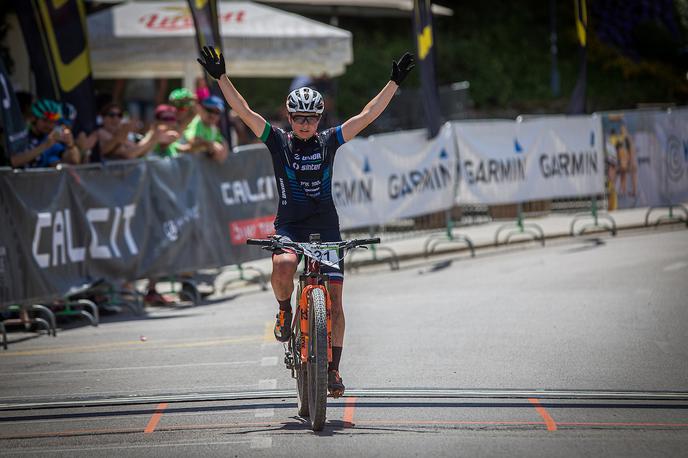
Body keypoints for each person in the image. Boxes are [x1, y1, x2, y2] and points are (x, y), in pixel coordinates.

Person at [197, 45, 414, 397]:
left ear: (319, 120)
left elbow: (368, 115)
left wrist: (393, 82)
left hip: (326, 226)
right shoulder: (277, 141)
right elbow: (243, 109)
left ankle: (333, 371)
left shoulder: (329, 141)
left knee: (337, 304)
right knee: (283, 265)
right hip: (290, 226)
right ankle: (284, 310)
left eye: (310, 119)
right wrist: (221, 77)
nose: (304, 124)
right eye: (298, 118)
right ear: (289, 117)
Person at [10, 98, 81, 168]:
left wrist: (71, 145)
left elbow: (74, 161)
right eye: (45, 120)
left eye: (53, 122)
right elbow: (14, 162)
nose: (49, 125)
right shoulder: (20, 136)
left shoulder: (50, 139)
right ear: (33, 118)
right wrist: (45, 146)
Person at [181, 95, 229, 163]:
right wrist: (210, 144)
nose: (213, 115)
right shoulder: (196, 123)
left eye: (217, 112)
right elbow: (193, 142)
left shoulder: (213, 128)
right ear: (201, 109)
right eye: (209, 110)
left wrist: (222, 146)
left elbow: (221, 144)